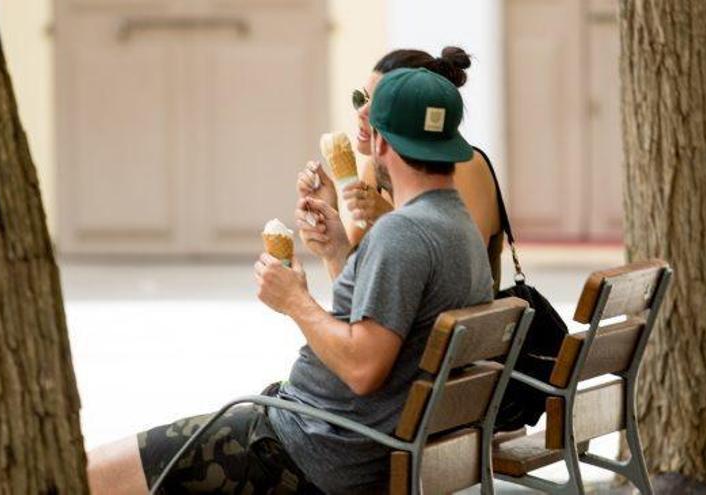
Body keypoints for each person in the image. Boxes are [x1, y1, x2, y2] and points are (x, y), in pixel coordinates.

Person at [86, 68, 492, 494]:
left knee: (93, 473)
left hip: (304, 449)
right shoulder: (458, 227)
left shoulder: (402, 234)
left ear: (382, 143)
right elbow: (383, 331)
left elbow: (363, 368)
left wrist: (295, 301)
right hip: (345, 439)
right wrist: (338, 250)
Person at [298, 47, 505, 291]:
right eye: (360, 98)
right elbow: (353, 293)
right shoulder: (374, 169)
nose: (362, 112)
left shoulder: (457, 166)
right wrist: (331, 236)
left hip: (453, 325)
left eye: (379, 104)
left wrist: (295, 301)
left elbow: (459, 280)